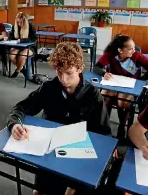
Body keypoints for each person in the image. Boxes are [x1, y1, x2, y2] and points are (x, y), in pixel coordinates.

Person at [7, 42, 111, 195]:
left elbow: (104, 135)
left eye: (69, 73)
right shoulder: (49, 87)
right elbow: (21, 107)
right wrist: (15, 124)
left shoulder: (93, 95)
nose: (63, 79)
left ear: (80, 69)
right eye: (59, 72)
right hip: (49, 153)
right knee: (38, 193)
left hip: (78, 158)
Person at [93, 35, 148, 139]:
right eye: (130, 49)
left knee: (122, 101)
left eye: (134, 48)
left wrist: (140, 80)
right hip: (114, 83)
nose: (133, 51)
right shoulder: (110, 54)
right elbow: (97, 67)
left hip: (129, 86)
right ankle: (104, 124)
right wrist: (104, 73)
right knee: (104, 97)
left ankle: (122, 126)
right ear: (120, 50)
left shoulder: (137, 56)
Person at [7, 12, 37, 78]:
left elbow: (34, 39)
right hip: (18, 46)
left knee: (22, 56)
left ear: (25, 21)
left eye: (21, 22)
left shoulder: (30, 26)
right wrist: (9, 39)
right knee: (11, 56)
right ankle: (22, 68)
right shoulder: (14, 26)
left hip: (29, 47)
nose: (19, 24)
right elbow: (11, 36)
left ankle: (17, 70)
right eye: (17, 22)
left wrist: (22, 40)